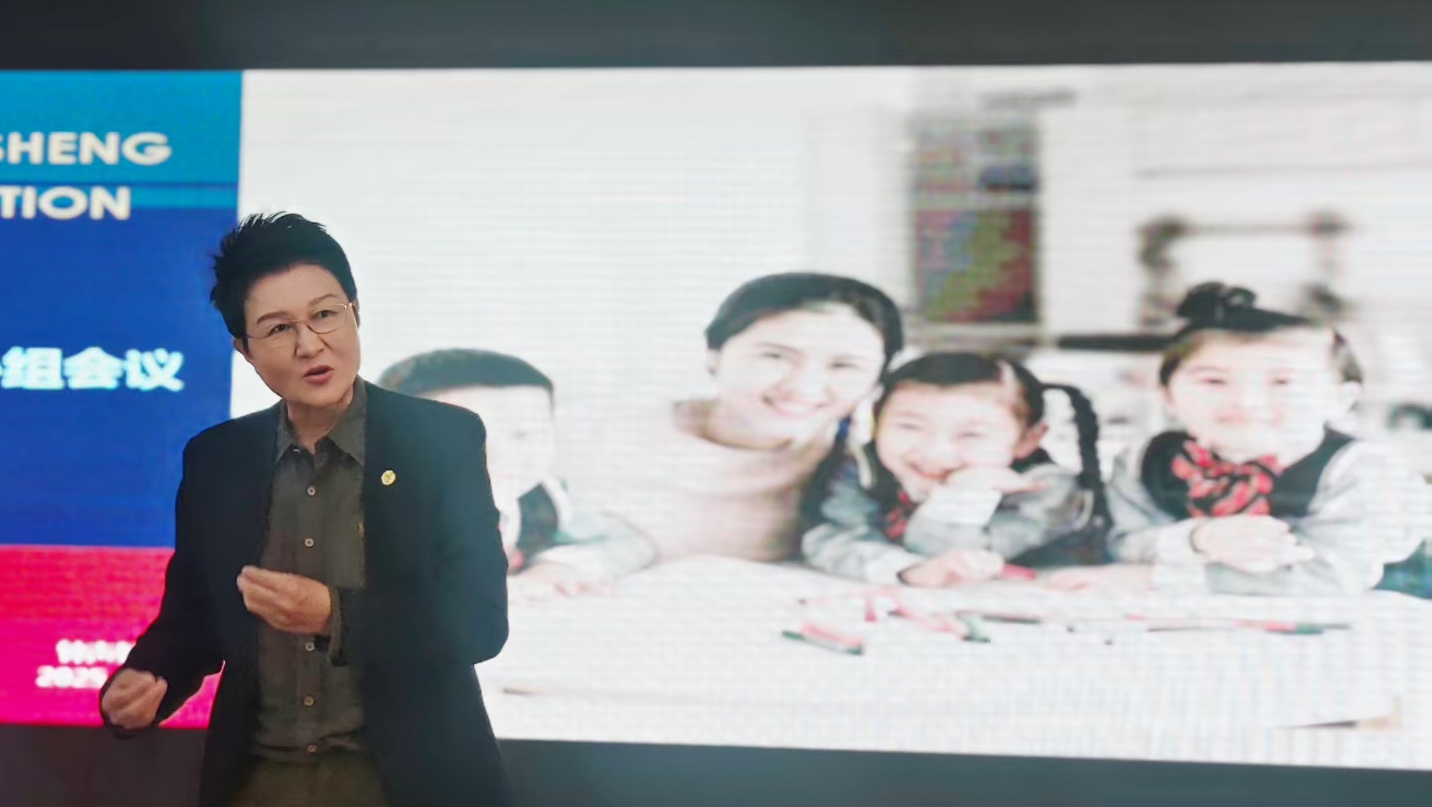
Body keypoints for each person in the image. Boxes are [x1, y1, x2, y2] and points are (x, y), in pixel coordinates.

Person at [99, 214, 521, 807]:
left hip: (401, 793)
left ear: (357, 313)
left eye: (326, 314)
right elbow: (193, 616)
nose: (310, 343)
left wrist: (336, 614)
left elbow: (476, 621)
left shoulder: (441, 438)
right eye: (279, 327)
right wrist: (149, 676)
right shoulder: (218, 459)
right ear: (246, 351)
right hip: (262, 798)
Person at [1066, 283, 1427, 595]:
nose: (1245, 401)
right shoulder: (1147, 460)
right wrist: (1199, 539)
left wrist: (1157, 578)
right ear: (1167, 396)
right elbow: (1123, 543)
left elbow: (1332, 574)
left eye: (1282, 382)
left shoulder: (1362, 470)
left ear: (1340, 399)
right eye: (1214, 381)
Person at [586, 272, 903, 564]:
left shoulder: (868, 464)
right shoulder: (603, 435)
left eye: (844, 366)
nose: (803, 387)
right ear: (714, 354)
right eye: (774, 356)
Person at [803, 352, 1105, 585]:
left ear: (1028, 439)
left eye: (971, 435)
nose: (936, 452)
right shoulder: (866, 471)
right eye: (910, 427)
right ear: (875, 423)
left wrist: (964, 493)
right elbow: (831, 539)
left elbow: (947, 554)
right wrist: (907, 570)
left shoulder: (1044, 488)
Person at [376, 348, 655, 601]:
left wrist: (558, 565)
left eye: (525, 434)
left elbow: (630, 542)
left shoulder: (541, 499)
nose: (502, 455)